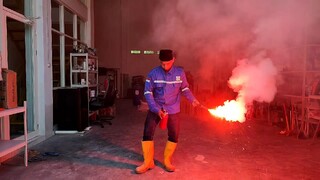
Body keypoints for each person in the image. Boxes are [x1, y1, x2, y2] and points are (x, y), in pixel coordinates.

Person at [135, 49, 200, 174]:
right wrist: (155, 109)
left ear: (173, 60)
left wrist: (192, 99)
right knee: (147, 132)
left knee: (174, 135)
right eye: (162, 64)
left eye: (168, 63)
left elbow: (185, 88)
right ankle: (148, 162)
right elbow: (147, 92)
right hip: (156, 107)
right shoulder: (153, 73)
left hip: (173, 109)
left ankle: (167, 161)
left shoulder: (180, 73)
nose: (165, 66)